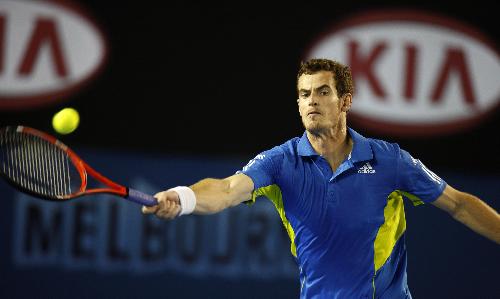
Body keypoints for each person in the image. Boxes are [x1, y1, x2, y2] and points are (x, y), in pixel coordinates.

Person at [142, 58, 500, 298]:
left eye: (322, 92)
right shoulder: (279, 162)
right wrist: (183, 196)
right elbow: (226, 189)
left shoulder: (388, 160)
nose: (311, 101)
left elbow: (458, 204)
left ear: (345, 101)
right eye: (304, 94)